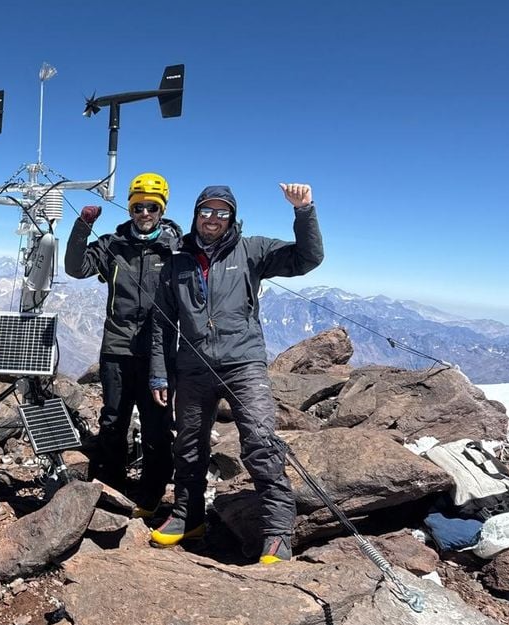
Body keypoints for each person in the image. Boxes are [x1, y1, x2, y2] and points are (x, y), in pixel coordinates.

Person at [148, 184, 324, 563]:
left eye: (222, 213)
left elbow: (307, 258)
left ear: (232, 217)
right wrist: (160, 374)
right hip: (193, 366)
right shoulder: (177, 259)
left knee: (260, 441)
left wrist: (304, 211)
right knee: (190, 445)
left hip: (243, 362)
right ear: (196, 214)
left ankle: (277, 533)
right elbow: (163, 323)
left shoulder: (252, 250)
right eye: (206, 212)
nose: (213, 219)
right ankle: (187, 516)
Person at [64, 173, 182, 515]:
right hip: (116, 347)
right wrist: (82, 227)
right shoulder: (112, 244)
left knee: (157, 424)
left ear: (161, 209)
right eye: (138, 207)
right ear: (130, 208)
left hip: (159, 352)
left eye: (151, 207)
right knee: (114, 420)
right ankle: (112, 488)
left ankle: (151, 494)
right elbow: (76, 268)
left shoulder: (175, 248)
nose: (144, 213)